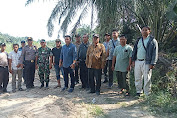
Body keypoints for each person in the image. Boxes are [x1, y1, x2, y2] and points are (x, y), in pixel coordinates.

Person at [132, 26, 158, 96]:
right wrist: (133, 60)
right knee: (137, 77)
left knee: (147, 78)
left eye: (146, 30)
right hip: (138, 61)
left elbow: (155, 53)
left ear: (149, 31)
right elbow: (135, 50)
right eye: (143, 30)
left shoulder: (152, 41)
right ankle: (138, 91)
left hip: (147, 62)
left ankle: (147, 93)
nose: (144, 31)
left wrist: (152, 63)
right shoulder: (138, 40)